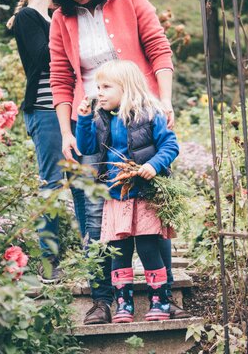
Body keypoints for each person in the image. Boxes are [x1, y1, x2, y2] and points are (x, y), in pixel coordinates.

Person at [46, 0, 190, 323]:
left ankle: (165, 296)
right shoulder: (62, 19)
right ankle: (104, 301)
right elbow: (61, 79)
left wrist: (165, 101)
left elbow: (159, 48)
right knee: (96, 215)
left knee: (153, 208)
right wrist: (66, 131)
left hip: (140, 114)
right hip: (91, 122)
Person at [76, 60, 179, 322]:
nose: (99, 92)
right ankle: (124, 304)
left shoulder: (149, 114)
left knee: (147, 247)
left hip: (144, 195)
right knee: (118, 251)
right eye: (98, 86)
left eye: (106, 87)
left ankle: (161, 301)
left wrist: (153, 165)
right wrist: (84, 119)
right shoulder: (100, 119)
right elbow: (86, 148)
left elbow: (170, 145)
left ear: (127, 88)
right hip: (116, 197)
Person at [7, 0, 86, 282]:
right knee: (52, 184)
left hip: (70, 109)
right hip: (43, 109)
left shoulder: (54, 19)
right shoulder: (28, 18)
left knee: (82, 181)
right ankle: (48, 263)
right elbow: (43, 59)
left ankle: (91, 251)